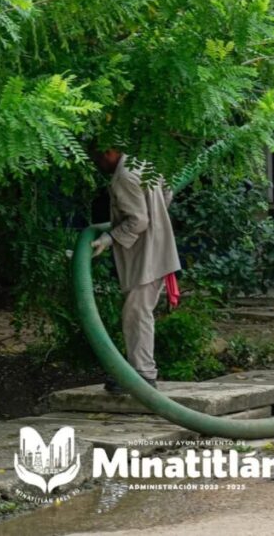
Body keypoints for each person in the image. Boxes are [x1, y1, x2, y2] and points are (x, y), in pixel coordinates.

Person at [90, 149, 181, 393]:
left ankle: (142, 374)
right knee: (137, 311)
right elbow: (167, 190)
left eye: (99, 156)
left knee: (137, 312)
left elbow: (138, 221)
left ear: (110, 152)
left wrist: (109, 238)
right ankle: (139, 371)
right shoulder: (141, 164)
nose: (98, 162)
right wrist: (158, 217)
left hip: (147, 257)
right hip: (156, 250)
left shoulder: (124, 176)